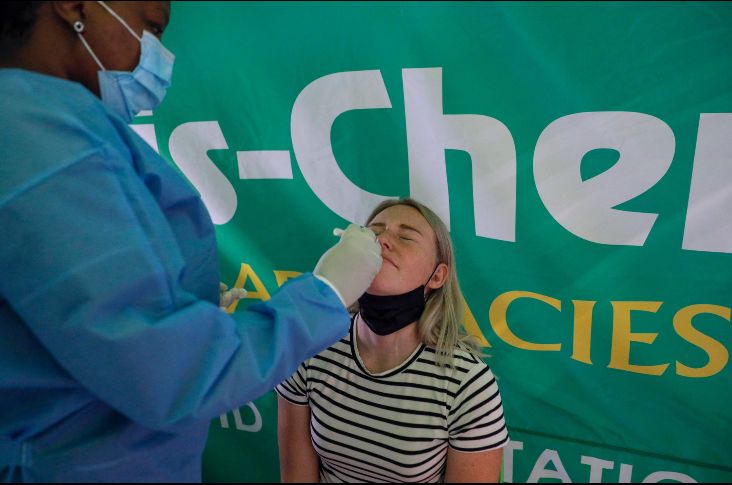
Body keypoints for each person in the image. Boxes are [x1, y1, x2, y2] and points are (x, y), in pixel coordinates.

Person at [0, 1, 382, 482]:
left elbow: (84, 307)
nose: (159, 55)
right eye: (151, 26)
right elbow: (164, 373)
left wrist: (183, 307)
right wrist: (322, 295)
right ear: (74, 6)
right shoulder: (30, 131)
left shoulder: (59, 124)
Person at [277, 198, 509, 483]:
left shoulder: (467, 383)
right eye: (373, 232)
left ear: (437, 276)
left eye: (406, 236)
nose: (383, 240)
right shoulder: (311, 346)